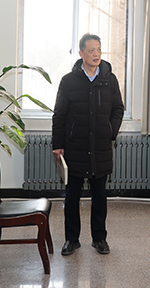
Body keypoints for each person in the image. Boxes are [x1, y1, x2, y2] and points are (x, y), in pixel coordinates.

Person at [52, 33, 124, 256]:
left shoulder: (110, 79)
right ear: (81, 53)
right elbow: (59, 115)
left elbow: (118, 108)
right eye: (91, 50)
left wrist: (111, 131)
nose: (96, 54)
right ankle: (71, 239)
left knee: (99, 197)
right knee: (72, 197)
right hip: (75, 146)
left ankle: (99, 238)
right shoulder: (69, 81)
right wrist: (57, 144)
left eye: (99, 49)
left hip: (101, 146)